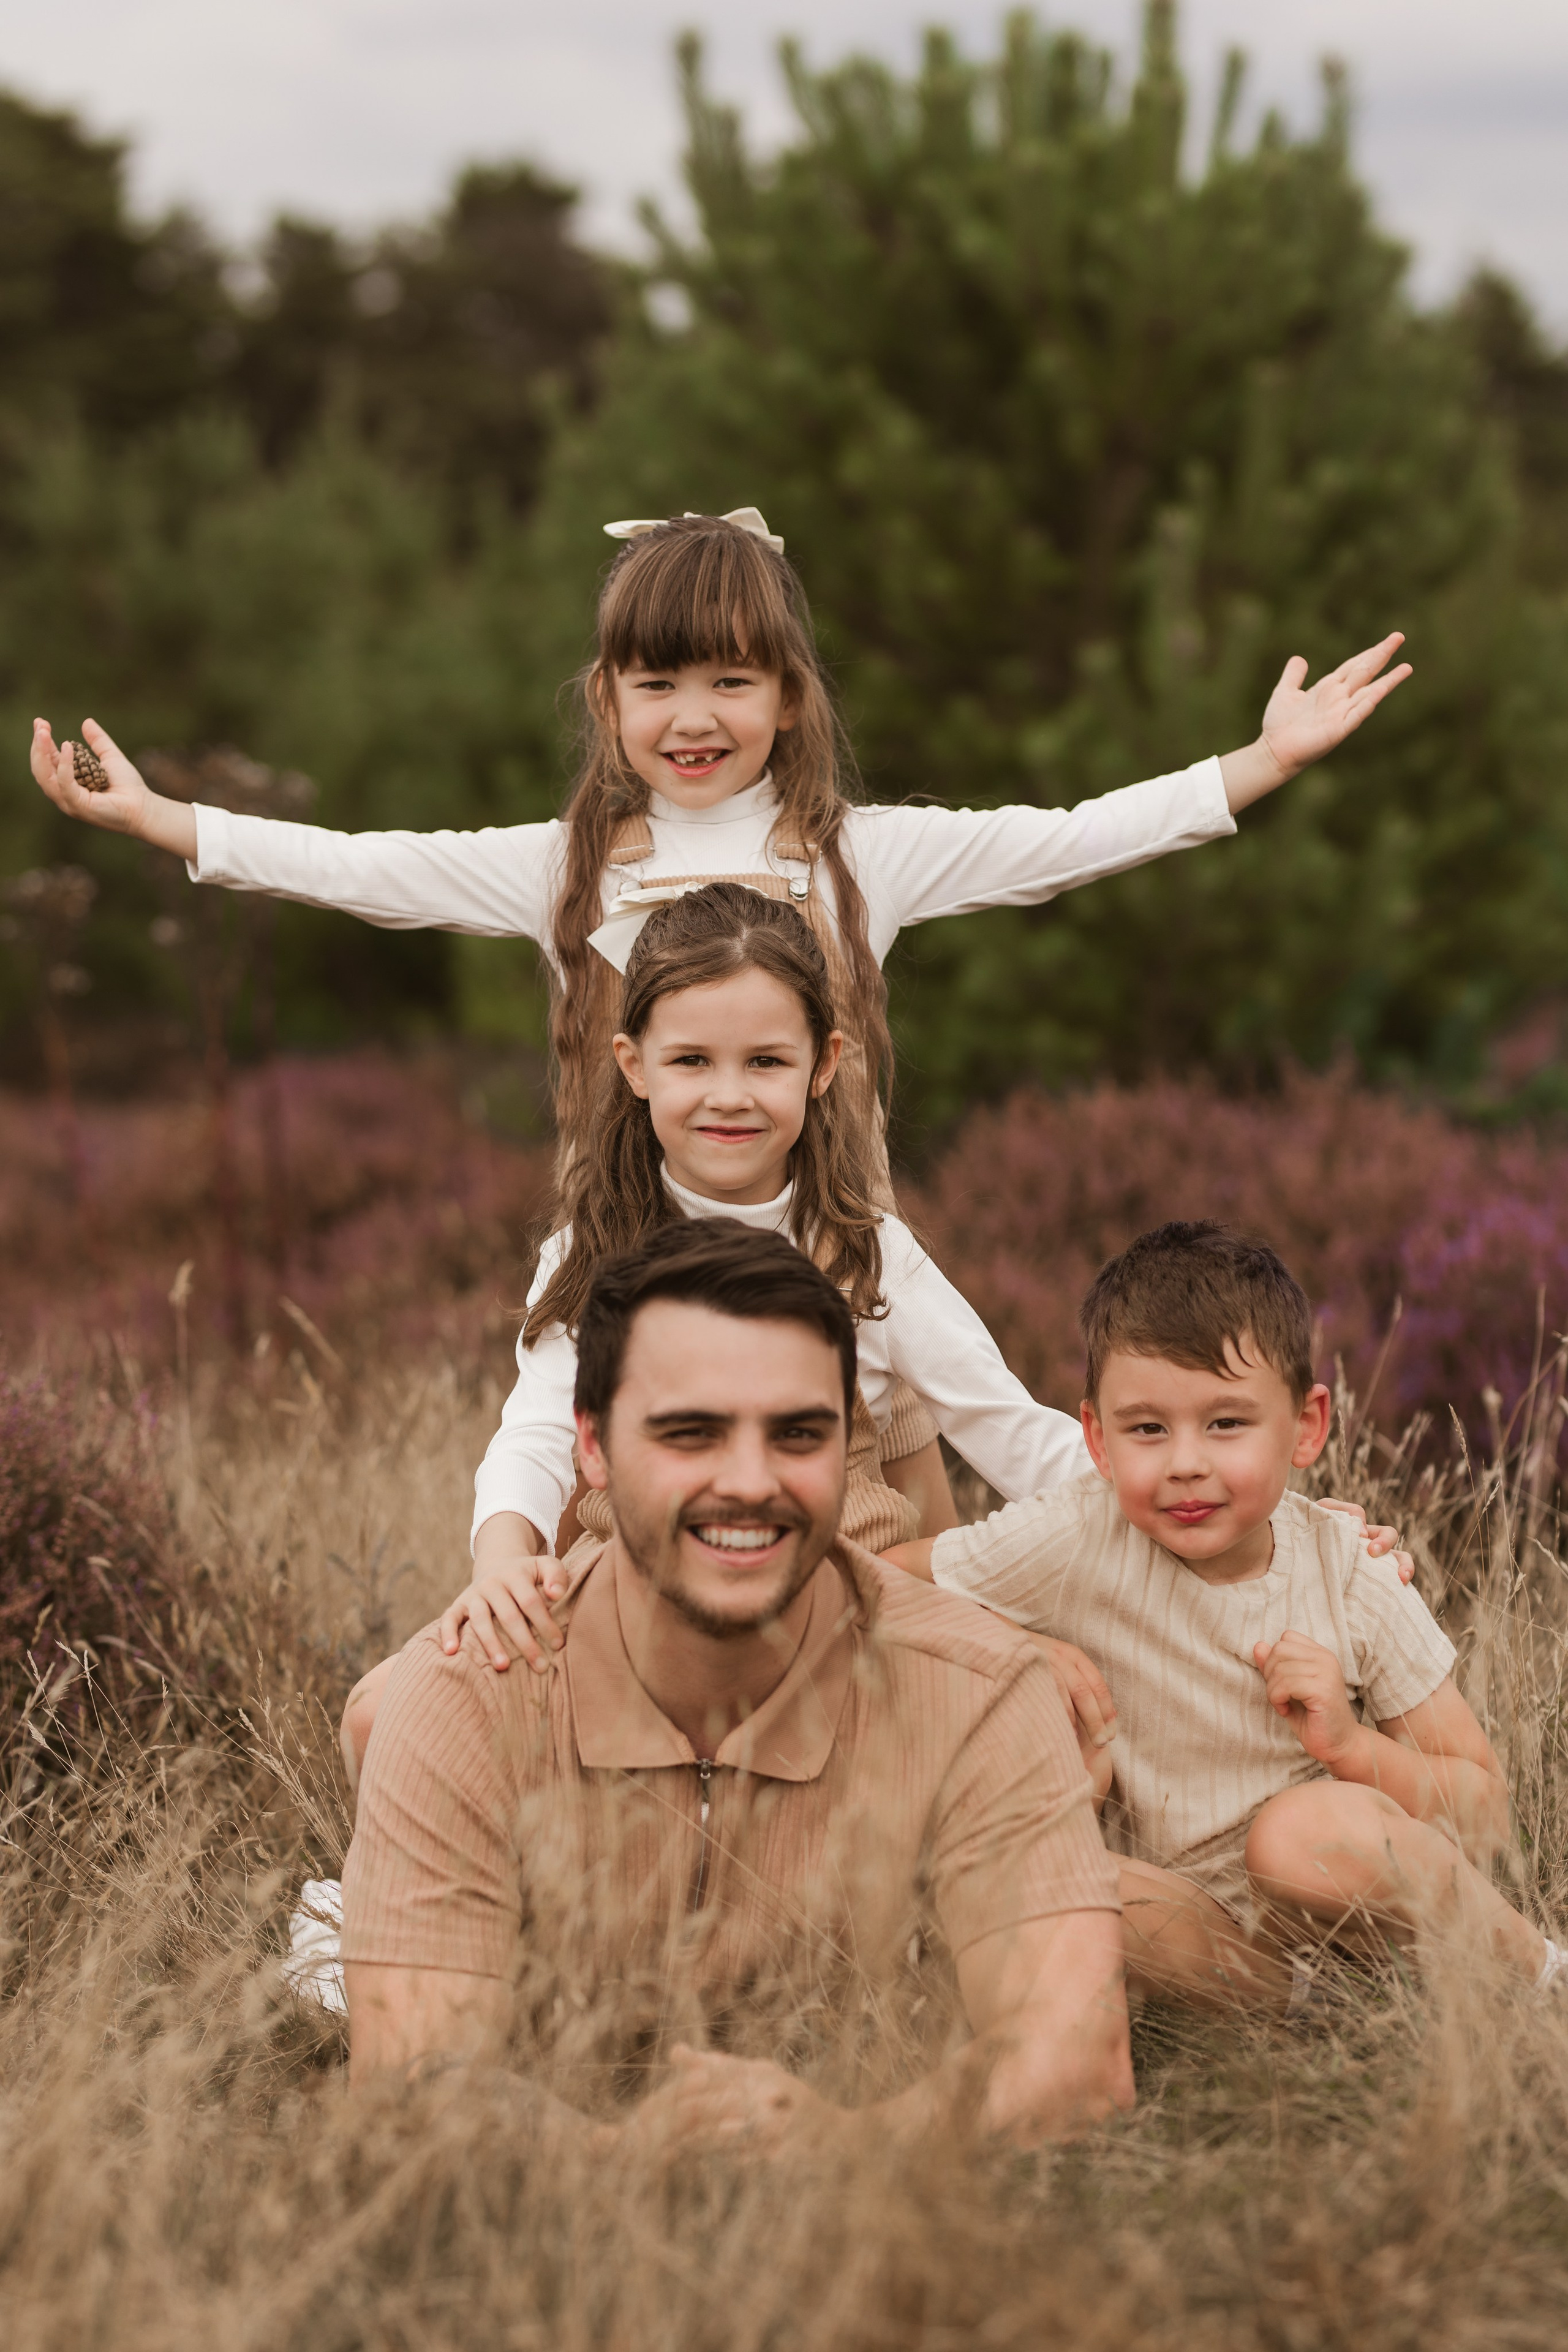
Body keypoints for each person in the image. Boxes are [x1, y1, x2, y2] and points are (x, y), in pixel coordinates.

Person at [28, 505, 1412, 1536]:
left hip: (849, 1270)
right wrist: (164, 822)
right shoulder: (568, 869)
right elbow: (362, 866)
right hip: (636, 1262)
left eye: (731, 683)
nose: (694, 717)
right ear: (608, 699)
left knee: (924, 1576)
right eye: (658, 684)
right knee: (613, 1534)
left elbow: (1064, 838)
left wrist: (1255, 765)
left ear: (788, 698)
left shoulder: (858, 855)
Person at [339, 1218, 1131, 2151]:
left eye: (798, 1435)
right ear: (591, 1448)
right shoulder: (468, 1693)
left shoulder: (978, 1687)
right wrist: (622, 2159)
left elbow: (1077, 2060)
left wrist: (841, 2142)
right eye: (691, 1433)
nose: (751, 1483)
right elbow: (413, 2084)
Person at [335, 880, 1097, 1780]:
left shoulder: (870, 1255)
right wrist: (502, 1561)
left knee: (1057, 1713)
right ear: (634, 1066)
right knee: (382, 1713)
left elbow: (1011, 1428)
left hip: (832, 1611)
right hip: (635, 1610)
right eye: (691, 1061)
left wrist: (1170, 1498)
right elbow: (535, 1434)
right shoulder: (592, 1251)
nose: (728, 1096)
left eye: (766, 1062)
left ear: (823, 1064)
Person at [884, 1221, 1568, 2013]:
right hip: (1205, 1939)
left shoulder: (1351, 1570)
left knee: (1296, 1835)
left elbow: (1485, 1812)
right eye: (1147, 1429)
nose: (1186, 1464)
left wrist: (1352, 1747)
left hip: (1354, 1914)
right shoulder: (1073, 1536)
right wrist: (1021, 1643)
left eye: (1227, 1424)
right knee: (1043, 1873)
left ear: (1306, 1427)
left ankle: (1542, 1978)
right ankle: (1304, 2022)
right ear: (1098, 1440)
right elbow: (878, 1583)